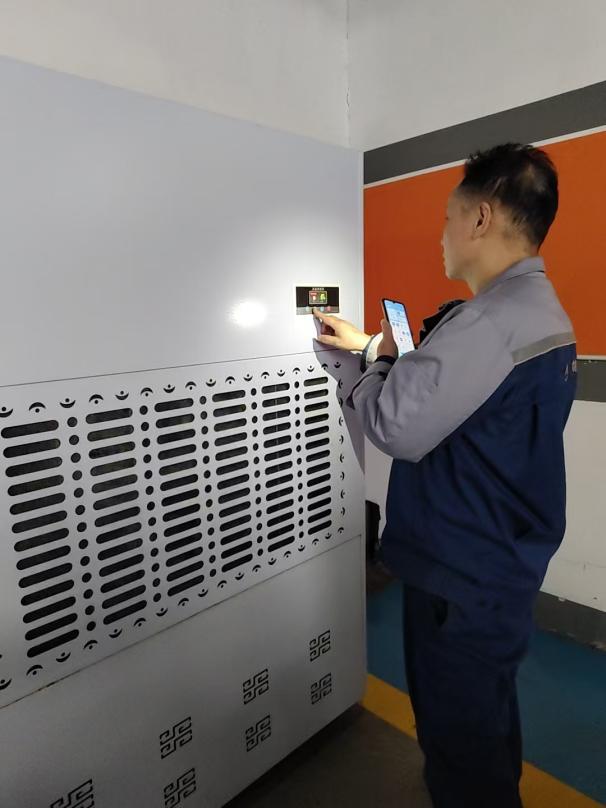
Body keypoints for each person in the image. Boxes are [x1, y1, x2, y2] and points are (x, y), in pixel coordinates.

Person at [313, 143, 576, 808]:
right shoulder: (541, 311)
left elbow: (395, 426)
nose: (442, 235)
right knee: (488, 714)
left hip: (459, 571)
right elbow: (463, 399)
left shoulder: (485, 321)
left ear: (481, 218)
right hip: (503, 560)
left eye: (447, 218)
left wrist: (369, 364)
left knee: (458, 737)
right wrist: (382, 351)